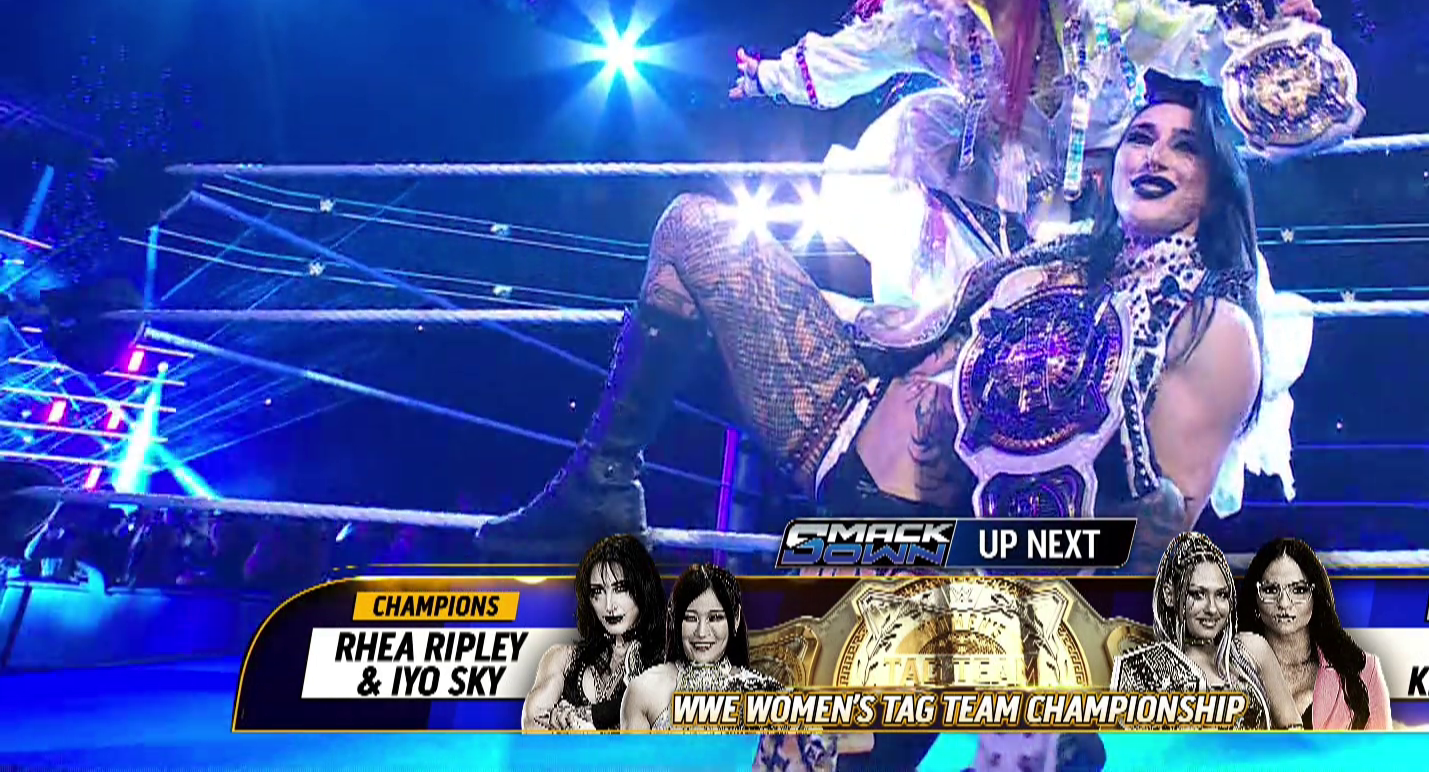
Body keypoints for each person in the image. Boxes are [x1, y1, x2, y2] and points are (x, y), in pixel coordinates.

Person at [478, 67, 1343, 571]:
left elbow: (1151, 541)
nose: (1153, 155)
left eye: (1184, 146)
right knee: (693, 229)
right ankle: (602, 485)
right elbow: (936, 325)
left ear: (1217, 181)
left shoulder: (1211, 327)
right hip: (845, 422)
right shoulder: (1064, 260)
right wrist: (877, 321)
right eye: (1143, 137)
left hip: (929, 545)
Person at [732, 0, 1357, 521]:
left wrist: (1266, 30)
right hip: (1012, 201)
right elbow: (858, 54)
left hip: (1118, 192)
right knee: (919, 138)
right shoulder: (936, 11)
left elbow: (1185, 36)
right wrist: (770, 78)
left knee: (1160, 336)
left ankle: (1145, 492)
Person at [1109, 531, 1298, 729]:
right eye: (1198, 594)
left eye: (1221, 595)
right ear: (1169, 595)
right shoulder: (1142, 671)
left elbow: (1296, 733)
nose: (1212, 609)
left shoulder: (1252, 651)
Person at [1238, 536, 1391, 730]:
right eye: (1270, 589)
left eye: (1298, 590)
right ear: (1255, 597)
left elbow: (1380, 749)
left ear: (1315, 596)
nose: (1284, 603)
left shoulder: (1363, 671)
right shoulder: (1226, 668)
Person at [519, 533, 666, 733]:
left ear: (643, 588)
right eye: (597, 592)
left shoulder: (667, 663)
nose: (609, 605)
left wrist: (583, 723)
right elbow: (533, 724)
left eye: (620, 589)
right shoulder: (563, 659)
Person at [620, 563, 785, 730]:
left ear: (735, 619)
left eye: (715, 618)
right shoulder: (643, 691)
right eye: (691, 618)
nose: (701, 632)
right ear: (675, 621)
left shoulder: (764, 693)